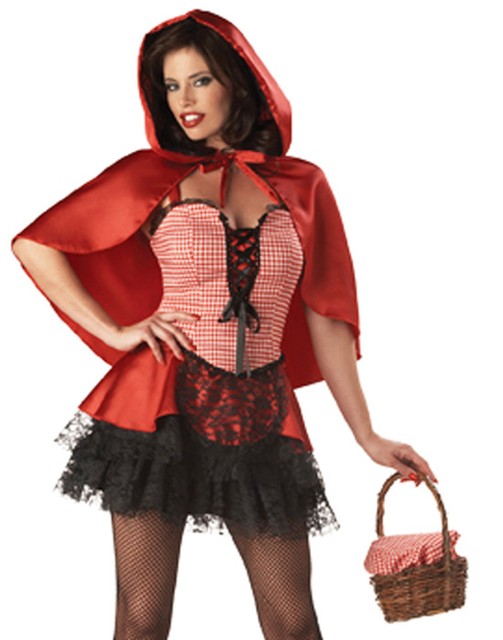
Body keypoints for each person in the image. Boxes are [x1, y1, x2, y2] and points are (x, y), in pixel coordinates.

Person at [11, 9, 437, 640]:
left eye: (200, 80)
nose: (183, 100)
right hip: (158, 406)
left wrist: (367, 435)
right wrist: (119, 331)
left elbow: (326, 314)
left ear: (239, 81)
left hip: (264, 407)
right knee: (142, 619)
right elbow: (37, 244)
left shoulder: (302, 184)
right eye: (171, 85)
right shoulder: (149, 176)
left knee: (294, 622)